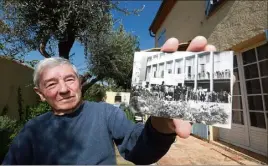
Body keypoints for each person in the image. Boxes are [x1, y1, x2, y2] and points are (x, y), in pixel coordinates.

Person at [2, 36, 217, 165]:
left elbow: (138, 150)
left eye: (70, 79)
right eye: (51, 84)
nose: (64, 89)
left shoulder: (105, 113)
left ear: (80, 82)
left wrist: (161, 123)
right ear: (40, 94)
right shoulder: (32, 129)